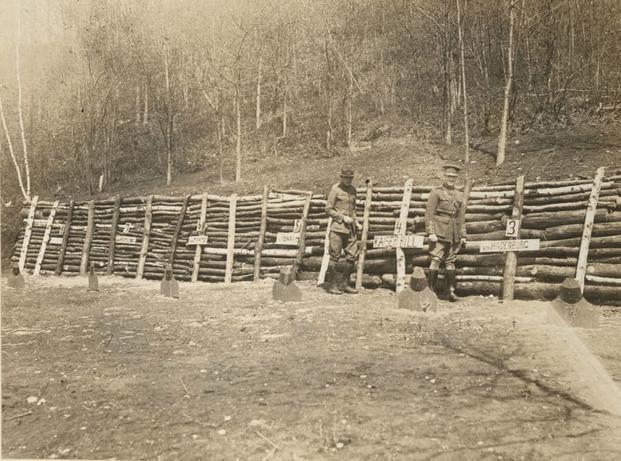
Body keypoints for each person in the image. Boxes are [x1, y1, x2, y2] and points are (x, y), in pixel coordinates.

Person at [425, 164, 467, 301]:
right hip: (439, 231)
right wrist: (430, 232)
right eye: (449, 176)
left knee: (450, 261)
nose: (451, 179)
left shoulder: (460, 194)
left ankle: (450, 292)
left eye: (454, 177)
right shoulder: (436, 192)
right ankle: (431, 291)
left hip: (454, 232)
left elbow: (461, 217)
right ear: (444, 176)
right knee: (435, 260)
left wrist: (463, 235)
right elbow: (429, 213)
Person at [325, 166, 361, 295]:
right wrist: (342, 217)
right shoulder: (335, 190)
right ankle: (333, 285)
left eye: (350, 178)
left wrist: (356, 222)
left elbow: (353, 210)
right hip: (338, 229)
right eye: (346, 178)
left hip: (351, 229)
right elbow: (328, 209)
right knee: (334, 256)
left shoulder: (353, 190)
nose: (348, 180)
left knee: (352, 256)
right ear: (341, 177)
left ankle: (345, 284)